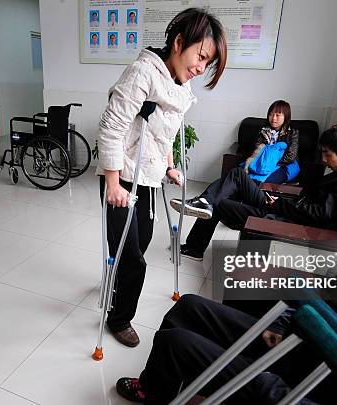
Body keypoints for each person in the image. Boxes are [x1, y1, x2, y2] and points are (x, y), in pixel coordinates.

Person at [115, 182, 337, 404]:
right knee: (189, 307)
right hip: (294, 350)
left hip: (294, 388)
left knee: (177, 343)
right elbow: (320, 306)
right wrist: (282, 326)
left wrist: (265, 381)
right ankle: (157, 389)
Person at [96, 8, 227, 348]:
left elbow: (164, 135)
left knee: (140, 242)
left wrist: (169, 165)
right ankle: (120, 317)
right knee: (132, 257)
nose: (200, 68)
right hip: (122, 176)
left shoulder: (180, 86)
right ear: (179, 42)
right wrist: (112, 182)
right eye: (200, 56)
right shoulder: (143, 73)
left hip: (149, 178)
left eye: (207, 63)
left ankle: (115, 278)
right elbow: (112, 126)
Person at [175, 125, 337, 261]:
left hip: (285, 219)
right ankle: (204, 201)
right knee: (236, 175)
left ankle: (196, 244)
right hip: (284, 206)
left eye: (327, 154)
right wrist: (282, 199)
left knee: (221, 203)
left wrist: (278, 203)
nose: (324, 159)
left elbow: (318, 215)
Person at [170, 99, 299, 221]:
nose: (273, 118)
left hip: (279, 168)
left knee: (235, 177)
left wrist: (271, 161)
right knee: (223, 182)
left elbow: (290, 156)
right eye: (271, 114)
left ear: (286, 117)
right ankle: (205, 201)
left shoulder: (292, 133)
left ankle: (208, 202)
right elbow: (256, 152)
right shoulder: (264, 131)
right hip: (258, 166)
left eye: (277, 115)